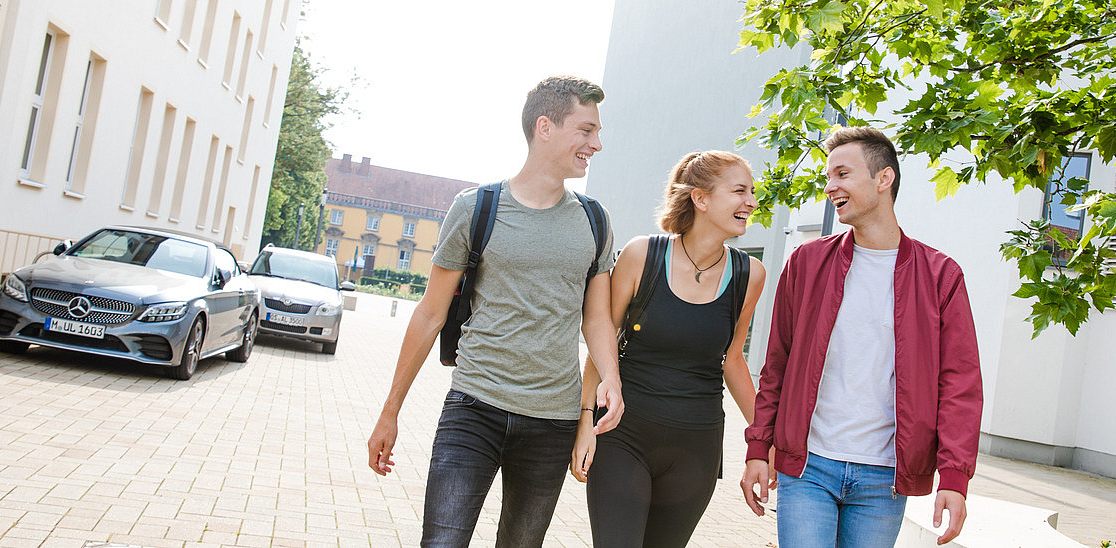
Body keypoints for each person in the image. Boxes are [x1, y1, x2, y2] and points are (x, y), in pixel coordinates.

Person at [365, 76, 625, 548]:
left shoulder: (595, 220)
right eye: (586, 130)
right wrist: (390, 412)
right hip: (473, 408)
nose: (597, 143)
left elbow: (598, 319)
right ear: (545, 127)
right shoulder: (476, 208)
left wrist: (611, 377)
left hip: (552, 421)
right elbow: (429, 315)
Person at [739, 127, 983, 547]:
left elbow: (959, 383)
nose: (830, 186)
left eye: (842, 174)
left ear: (883, 179)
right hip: (808, 467)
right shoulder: (808, 262)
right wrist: (758, 448)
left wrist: (955, 477)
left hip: (884, 479)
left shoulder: (941, 275)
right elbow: (777, 362)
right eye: (828, 176)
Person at [569, 151, 768, 547]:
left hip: (696, 448)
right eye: (740, 191)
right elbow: (603, 335)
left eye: (752, 192)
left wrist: (764, 440)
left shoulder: (750, 275)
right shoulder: (643, 254)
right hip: (623, 436)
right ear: (701, 198)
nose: (751, 202)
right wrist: (585, 422)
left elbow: (732, 360)